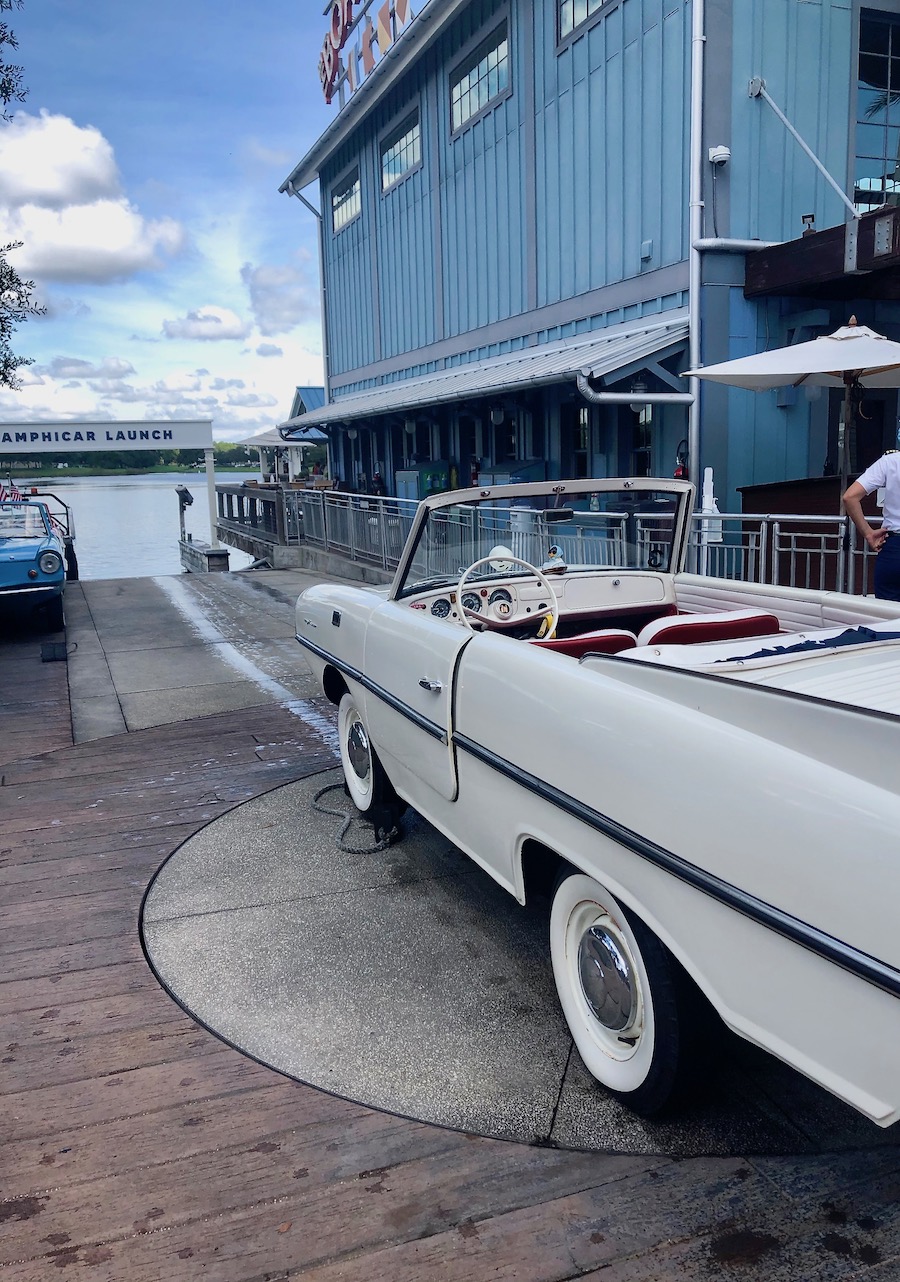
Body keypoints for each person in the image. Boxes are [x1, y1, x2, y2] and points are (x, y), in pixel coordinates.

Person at [843, 450, 900, 600]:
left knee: (886, 619)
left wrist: (868, 533)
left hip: (894, 549)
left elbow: (849, 497)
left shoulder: (890, 461)